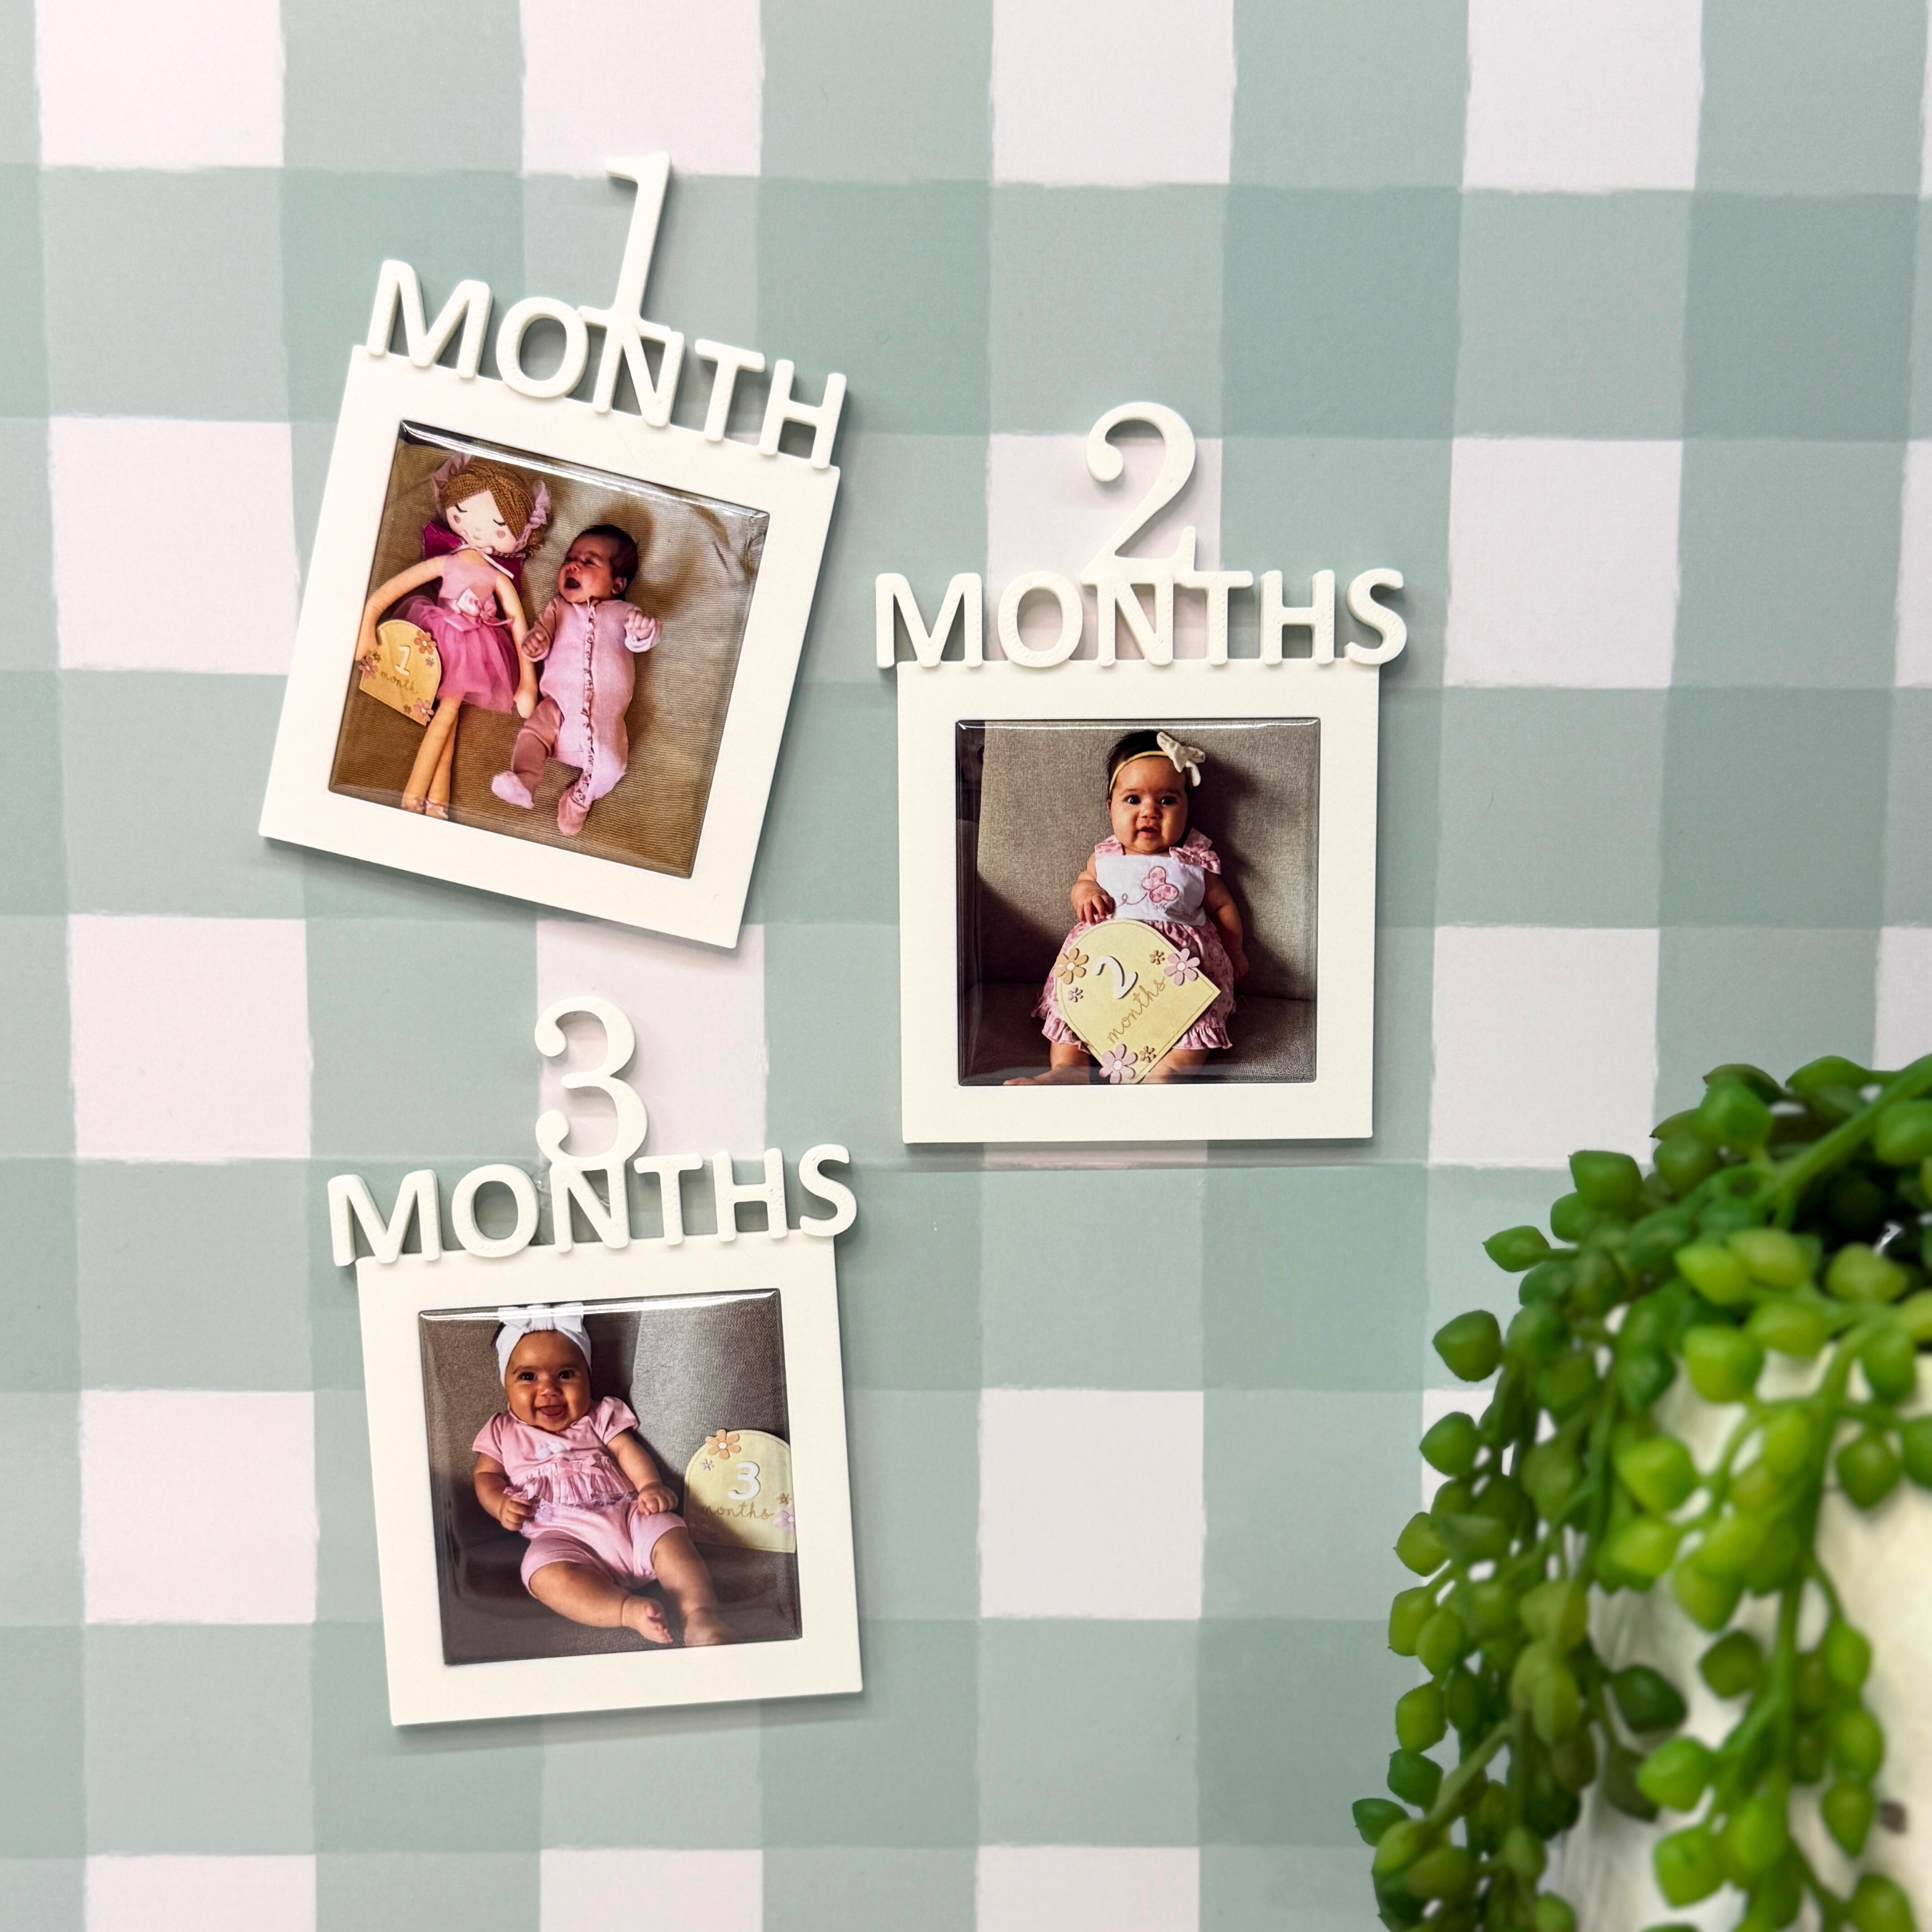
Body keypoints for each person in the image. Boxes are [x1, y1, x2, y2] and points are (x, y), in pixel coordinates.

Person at [472, 1304, 733, 1646]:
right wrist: (498, 1505)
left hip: (629, 1519)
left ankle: (700, 1617)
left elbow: (626, 1450)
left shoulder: (598, 1414)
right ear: (505, 1381)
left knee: (669, 1532)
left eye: (565, 1374)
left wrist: (650, 1485)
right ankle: (627, 1611)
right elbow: (485, 1476)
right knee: (539, 1571)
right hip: (563, 1539)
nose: (549, 1389)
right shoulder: (501, 1430)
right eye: (528, 1376)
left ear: (587, 1375)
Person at [1008, 729, 1249, 1085]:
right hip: (1106, 967)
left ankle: (1167, 1071)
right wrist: (1086, 892)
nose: (1149, 812)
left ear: (1187, 809)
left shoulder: (1195, 862)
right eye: (1133, 800)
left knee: (1190, 1021)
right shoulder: (1105, 856)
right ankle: (1069, 1070)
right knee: (1078, 1012)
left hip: (1175, 975)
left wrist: (1235, 950)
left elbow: (1223, 905)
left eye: (1167, 801)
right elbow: (1082, 882)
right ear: (1110, 808)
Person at [354, 456, 547, 818]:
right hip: (430, 635)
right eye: (463, 511)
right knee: (444, 712)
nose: (477, 529)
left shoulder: (499, 580)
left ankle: (422, 798)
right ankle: (428, 801)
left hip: (476, 647)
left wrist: (527, 685)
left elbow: (519, 627)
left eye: (497, 525)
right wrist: (369, 624)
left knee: (448, 710)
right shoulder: (447, 563)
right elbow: (388, 593)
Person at [489, 523, 658, 836]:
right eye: (570, 558)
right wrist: (535, 643)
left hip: (605, 721)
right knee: (532, 734)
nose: (573, 565)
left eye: (589, 561)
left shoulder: (624, 612)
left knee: (613, 766)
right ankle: (525, 778)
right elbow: (541, 637)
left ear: (617, 584)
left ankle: (581, 798)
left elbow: (642, 640)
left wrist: (643, 629)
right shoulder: (558, 608)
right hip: (558, 708)